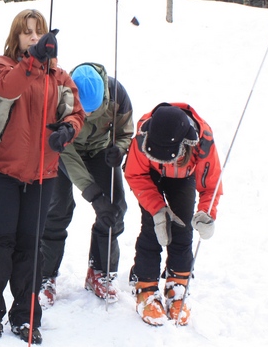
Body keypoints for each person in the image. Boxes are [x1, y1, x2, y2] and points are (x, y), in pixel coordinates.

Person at [0, 9, 86, 345]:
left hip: (42, 174)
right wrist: (34, 61)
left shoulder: (61, 77)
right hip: (0, 170)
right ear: (16, 37)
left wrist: (66, 131)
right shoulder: (0, 65)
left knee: (29, 246)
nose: (34, 37)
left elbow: (75, 112)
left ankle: (25, 314)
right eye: (27, 32)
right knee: (0, 243)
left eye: (39, 32)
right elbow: (8, 89)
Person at [39, 62, 133, 306]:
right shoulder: (59, 98)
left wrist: (119, 150)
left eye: (93, 111)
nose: (88, 116)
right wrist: (93, 195)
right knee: (56, 210)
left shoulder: (118, 97)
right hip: (64, 151)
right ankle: (44, 276)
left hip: (100, 149)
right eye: (83, 111)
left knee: (114, 207)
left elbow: (125, 132)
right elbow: (65, 153)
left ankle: (99, 271)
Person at [124, 102, 223, 326]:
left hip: (182, 177)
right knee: (153, 227)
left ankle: (177, 285)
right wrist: (157, 209)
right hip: (149, 177)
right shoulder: (143, 133)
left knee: (183, 227)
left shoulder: (203, 140)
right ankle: (145, 286)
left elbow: (211, 183)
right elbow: (134, 173)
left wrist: (207, 213)